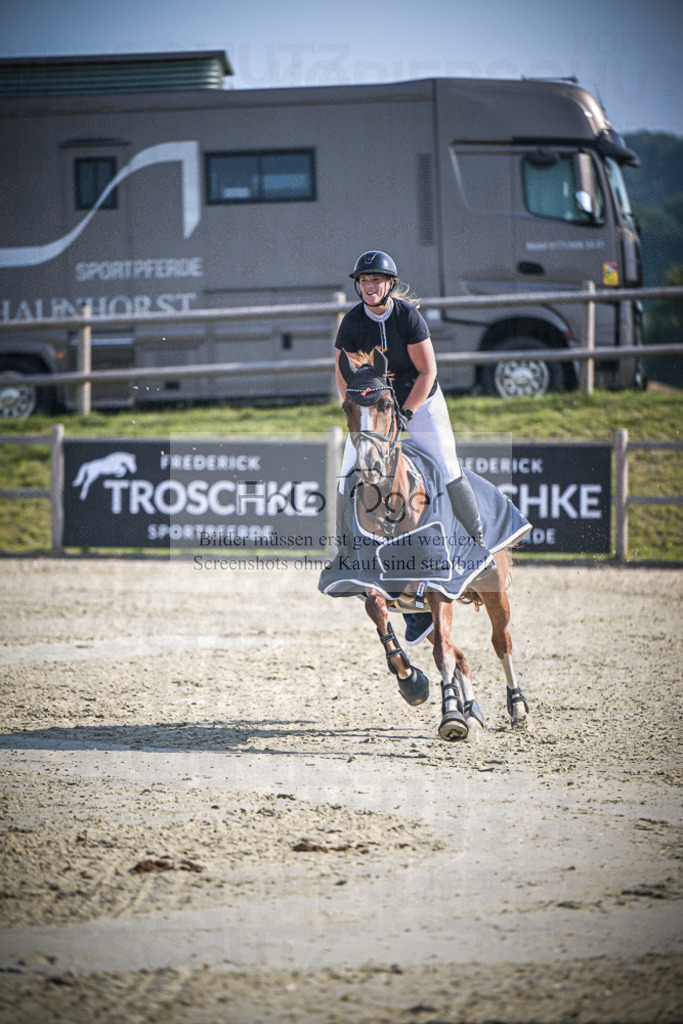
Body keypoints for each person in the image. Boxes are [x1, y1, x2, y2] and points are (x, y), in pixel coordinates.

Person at [335, 249, 485, 547]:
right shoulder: (351, 322)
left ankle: (477, 542)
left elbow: (427, 372)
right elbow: (345, 376)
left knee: (447, 466)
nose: (369, 286)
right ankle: (345, 551)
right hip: (375, 408)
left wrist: (406, 412)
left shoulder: (408, 318)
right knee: (345, 474)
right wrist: (356, 410)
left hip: (420, 399)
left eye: (376, 279)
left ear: (389, 284)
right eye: (364, 280)